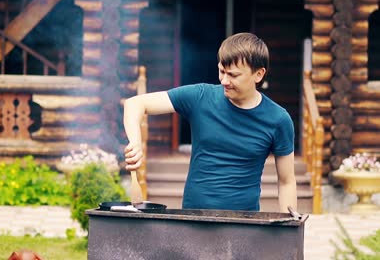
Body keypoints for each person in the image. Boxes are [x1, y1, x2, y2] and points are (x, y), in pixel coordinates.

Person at [123, 32, 297, 212]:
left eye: (233, 75)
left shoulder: (278, 120)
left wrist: (290, 229)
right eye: (222, 71)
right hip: (193, 218)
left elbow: (286, 181)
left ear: (258, 75)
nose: (224, 81)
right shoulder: (200, 97)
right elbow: (135, 104)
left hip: (245, 224)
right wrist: (135, 143)